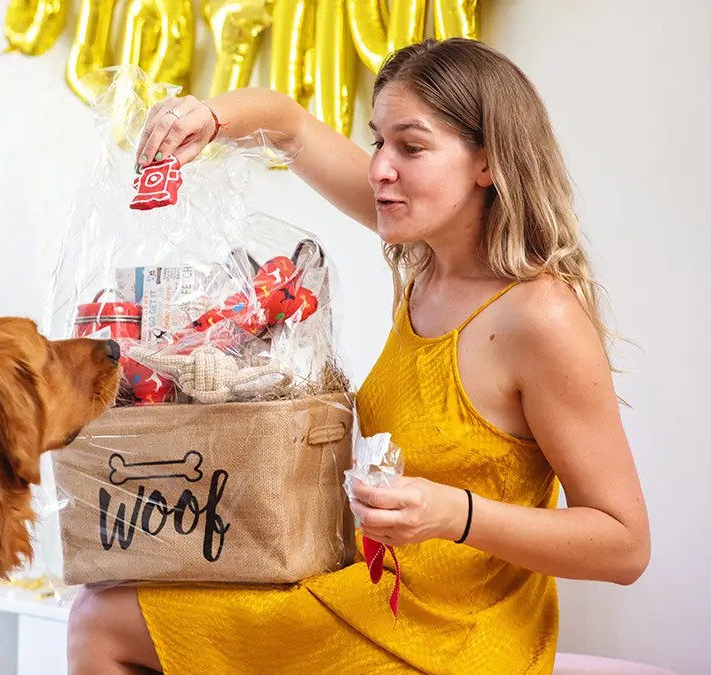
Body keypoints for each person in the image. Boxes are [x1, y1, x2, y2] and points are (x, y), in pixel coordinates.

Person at [66, 38, 651, 675]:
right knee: (103, 605)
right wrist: (206, 117)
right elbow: (287, 126)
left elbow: (624, 546)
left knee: (103, 622)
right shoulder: (426, 262)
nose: (380, 169)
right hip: (379, 593)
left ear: (487, 162)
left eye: (412, 145)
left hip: (454, 639)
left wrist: (452, 513)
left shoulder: (539, 315)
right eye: (378, 142)